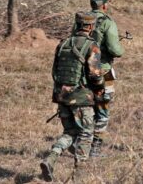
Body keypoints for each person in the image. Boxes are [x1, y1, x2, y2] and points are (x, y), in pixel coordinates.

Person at [40, 12, 104, 182]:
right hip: (81, 98)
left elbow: (54, 72)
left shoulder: (63, 44)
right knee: (86, 133)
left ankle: (52, 157)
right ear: (91, 26)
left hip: (61, 96)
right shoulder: (92, 46)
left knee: (70, 132)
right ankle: (79, 173)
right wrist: (100, 90)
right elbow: (95, 76)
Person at [82, 0, 124, 158]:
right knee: (103, 107)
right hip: (104, 70)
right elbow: (115, 50)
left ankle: (81, 142)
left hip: (83, 70)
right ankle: (95, 149)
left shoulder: (81, 20)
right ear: (105, 6)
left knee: (85, 106)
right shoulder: (108, 22)